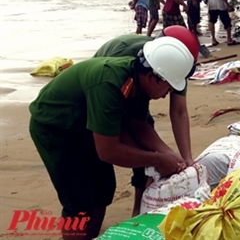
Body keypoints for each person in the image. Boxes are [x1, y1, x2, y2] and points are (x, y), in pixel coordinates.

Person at [29, 37, 195, 239]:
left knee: (104, 189)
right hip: (55, 127)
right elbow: (108, 151)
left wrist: (168, 153)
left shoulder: (140, 83)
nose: (168, 93)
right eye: (168, 87)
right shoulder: (110, 82)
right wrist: (156, 160)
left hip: (88, 126)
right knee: (78, 201)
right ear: (153, 76)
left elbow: (139, 126)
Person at [94, 25, 199, 217]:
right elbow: (116, 114)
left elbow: (179, 111)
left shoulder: (175, 66)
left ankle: (141, 206)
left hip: (140, 91)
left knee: (147, 137)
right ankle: (136, 208)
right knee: (125, 147)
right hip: (109, 96)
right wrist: (156, 158)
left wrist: (186, 158)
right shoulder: (133, 58)